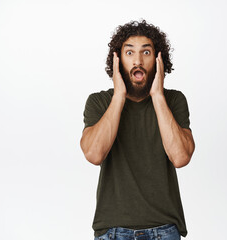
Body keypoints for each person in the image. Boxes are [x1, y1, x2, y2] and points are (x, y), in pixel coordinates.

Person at [80, 20, 195, 240]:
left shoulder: (174, 100)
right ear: (117, 60)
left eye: (147, 52)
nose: (138, 61)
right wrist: (119, 96)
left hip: (165, 230)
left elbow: (180, 157)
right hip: (112, 231)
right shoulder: (100, 102)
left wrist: (158, 96)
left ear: (159, 59)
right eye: (130, 52)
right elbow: (94, 154)